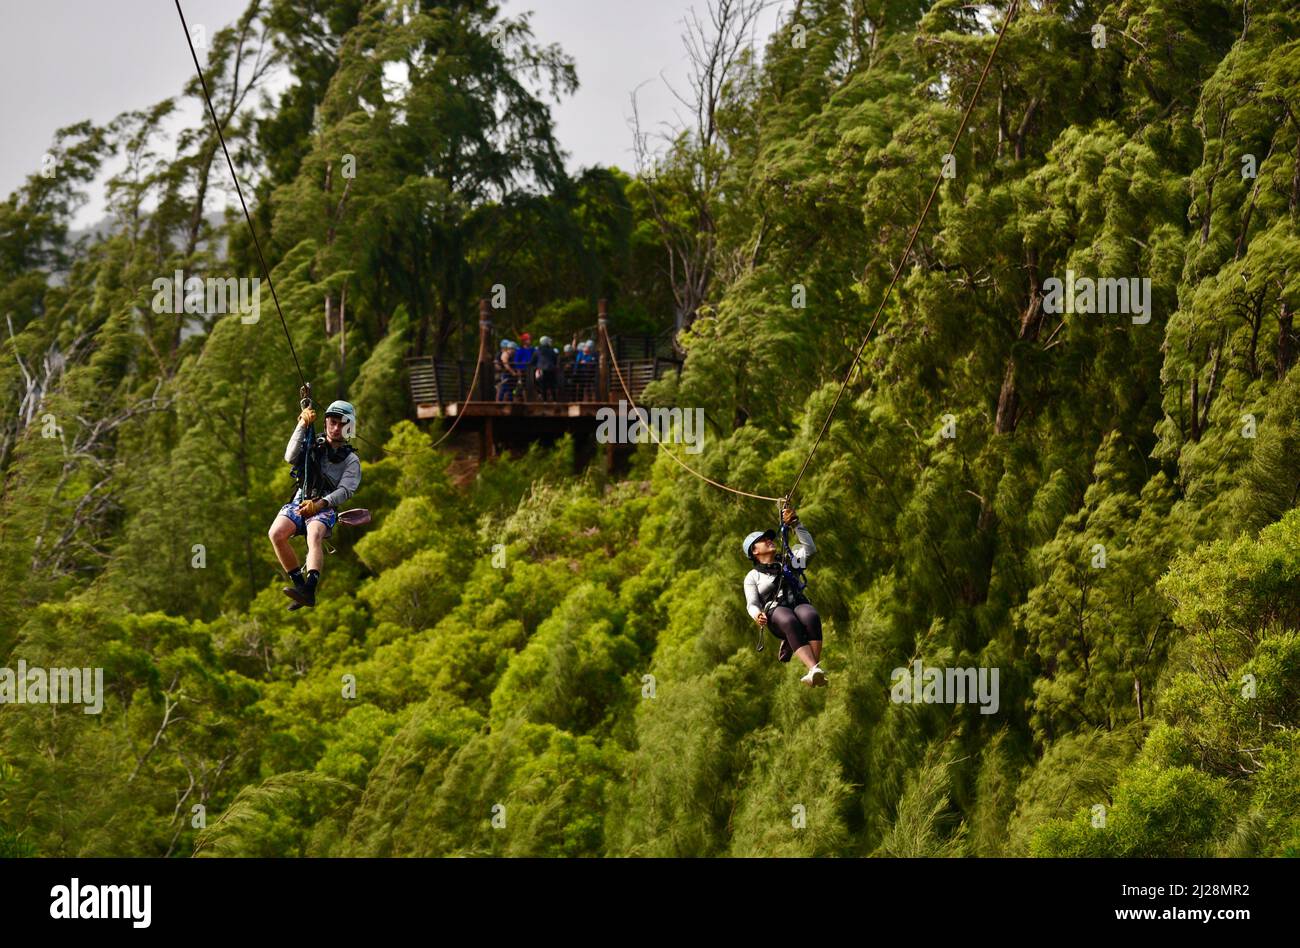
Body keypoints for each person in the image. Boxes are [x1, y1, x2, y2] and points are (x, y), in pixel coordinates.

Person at [269, 400, 362, 610]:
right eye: (333, 422)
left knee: (314, 534)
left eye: (342, 424)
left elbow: (346, 490)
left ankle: (310, 587)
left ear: (349, 428)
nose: (336, 428)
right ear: (326, 422)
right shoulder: (313, 444)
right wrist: (302, 424)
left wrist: (320, 504)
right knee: (276, 534)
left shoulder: (351, 460)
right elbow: (290, 457)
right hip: (301, 501)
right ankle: (301, 588)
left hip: (325, 508)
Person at [742, 504, 825, 686]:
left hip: (797, 602)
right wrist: (757, 615)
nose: (769, 541)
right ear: (754, 552)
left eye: (769, 538)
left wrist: (796, 524)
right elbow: (752, 603)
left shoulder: (789, 559)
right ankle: (812, 667)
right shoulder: (753, 576)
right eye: (764, 540)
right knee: (789, 620)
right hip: (776, 613)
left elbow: (810, 550)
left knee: (811, 616)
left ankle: (814, 669)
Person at [534, 335, 559, 401]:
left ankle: (544, 400)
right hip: (551, 369)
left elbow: (533, 360)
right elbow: (555, 359)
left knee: (543, 386)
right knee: (552, 385)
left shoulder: (538, 350)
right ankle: (554, 400)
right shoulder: (551, 350)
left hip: (542, 370)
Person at [514, 332, 536, 400]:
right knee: (523, 387)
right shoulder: (520, 350)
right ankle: (526, 400)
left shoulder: (533, 350)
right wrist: (518, 371)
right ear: (524, 341)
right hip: (523, 370)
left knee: (533, 385)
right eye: (527, 339)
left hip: (532, 370)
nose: (529, 341)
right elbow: (517, 362)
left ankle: (533, 400)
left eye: (530, 339)